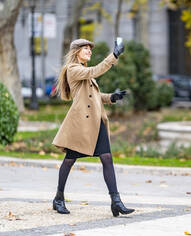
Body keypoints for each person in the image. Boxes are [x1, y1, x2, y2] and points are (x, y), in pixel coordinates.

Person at [52, 38, 134, 217]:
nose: (89, 51)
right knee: (69, 160)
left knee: (107, 158)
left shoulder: (84, 72)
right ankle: (58, 198)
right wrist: (114, 56)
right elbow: (95, 71)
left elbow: (94, 96)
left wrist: (111, 97)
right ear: (76, 52)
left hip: (96, 123)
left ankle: (116, 201)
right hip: (81, 125)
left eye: (90, 48)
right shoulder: (74, 69)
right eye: (85, 48)